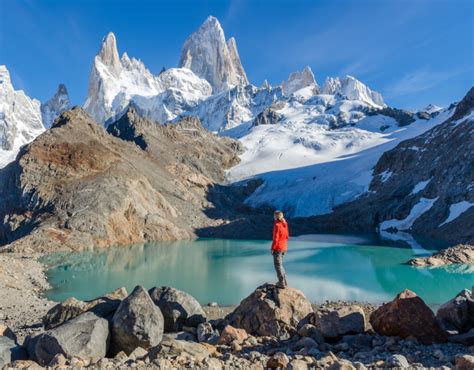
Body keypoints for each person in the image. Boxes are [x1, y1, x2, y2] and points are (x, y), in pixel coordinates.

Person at [271, 210, 289, 288]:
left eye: (274, 215)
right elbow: (287, 236)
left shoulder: (277, 225)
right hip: (283, 247)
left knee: (277, 265)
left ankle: (281, 283)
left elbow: (276, 238)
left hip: (278, 248)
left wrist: (272, 248)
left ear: (276, 216)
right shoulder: (285, 224)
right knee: (280, 265)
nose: (273, 217)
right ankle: (284, 281)